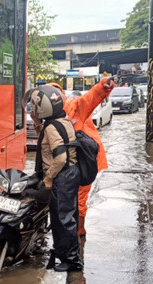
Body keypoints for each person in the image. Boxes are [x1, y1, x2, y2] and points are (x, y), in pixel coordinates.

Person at [47, 77, 116, 250]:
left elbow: (88, 99)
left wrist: (102, 87)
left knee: (78, 200)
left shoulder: (72, 107)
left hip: (85, 162)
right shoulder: (46, 116)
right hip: (67, 162)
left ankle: (78, 235)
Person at [25, 85, 83, 272]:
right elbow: (50, 137)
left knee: (64, 219)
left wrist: (49, 178)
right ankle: (62, 252)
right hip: (70, 173)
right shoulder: (60, 119)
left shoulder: (51, 127)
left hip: (63, 175)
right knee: (63, 217)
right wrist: (36, 122)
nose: (33, 109)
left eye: (35, 106)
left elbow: (60, 157)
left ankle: (72, 261)